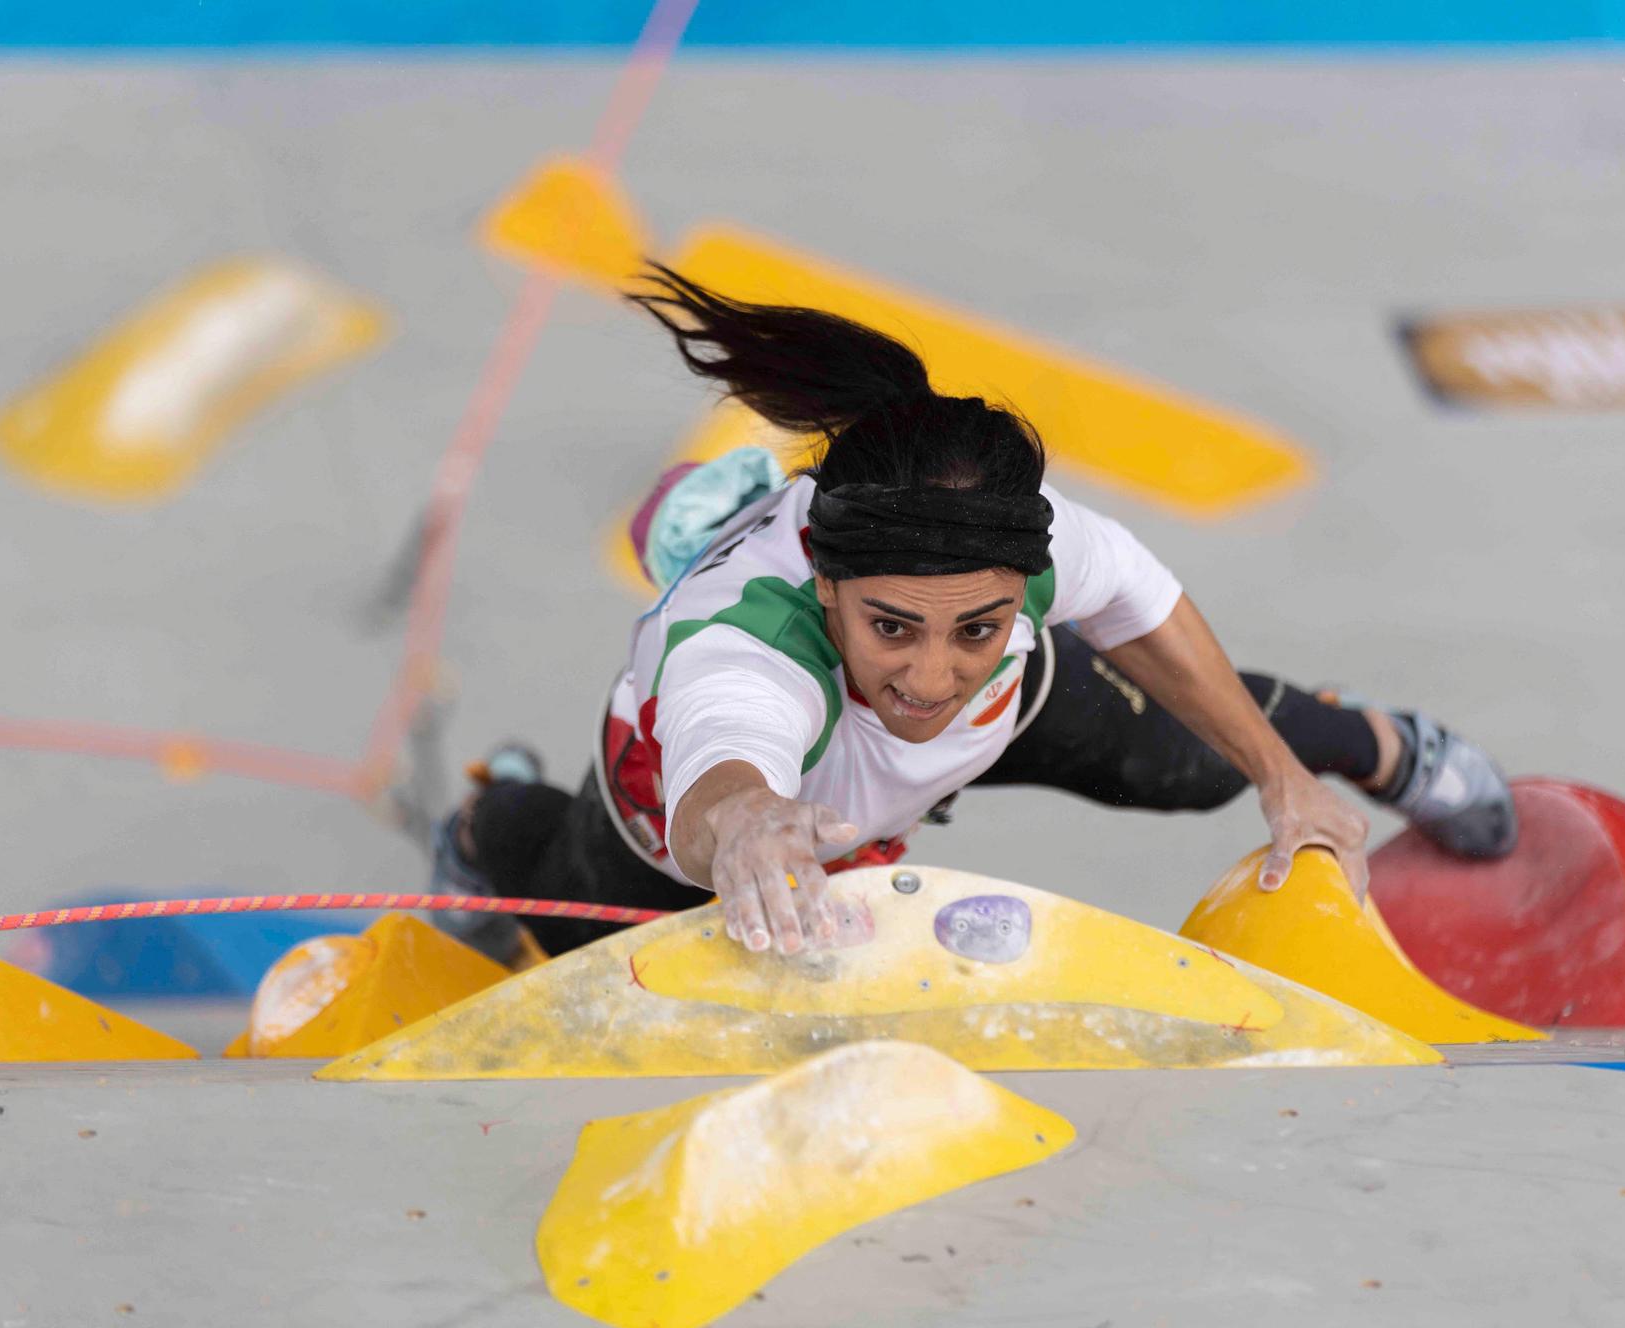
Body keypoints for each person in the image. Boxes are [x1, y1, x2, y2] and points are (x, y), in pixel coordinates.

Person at [432, 265, 1515, 962]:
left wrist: (1284, 782)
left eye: (978, 629)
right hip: (677, 821)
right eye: (890, 625)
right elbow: (723, 755)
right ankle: (488, 818)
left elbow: (1143, 605)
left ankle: (1387, 748)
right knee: (568, 917)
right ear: (824, 585)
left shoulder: (1009, 539)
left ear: (1019, 594)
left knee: (1185, 760)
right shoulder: (743, 649)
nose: (934, 678)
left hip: (948, 741)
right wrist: (744, 824)